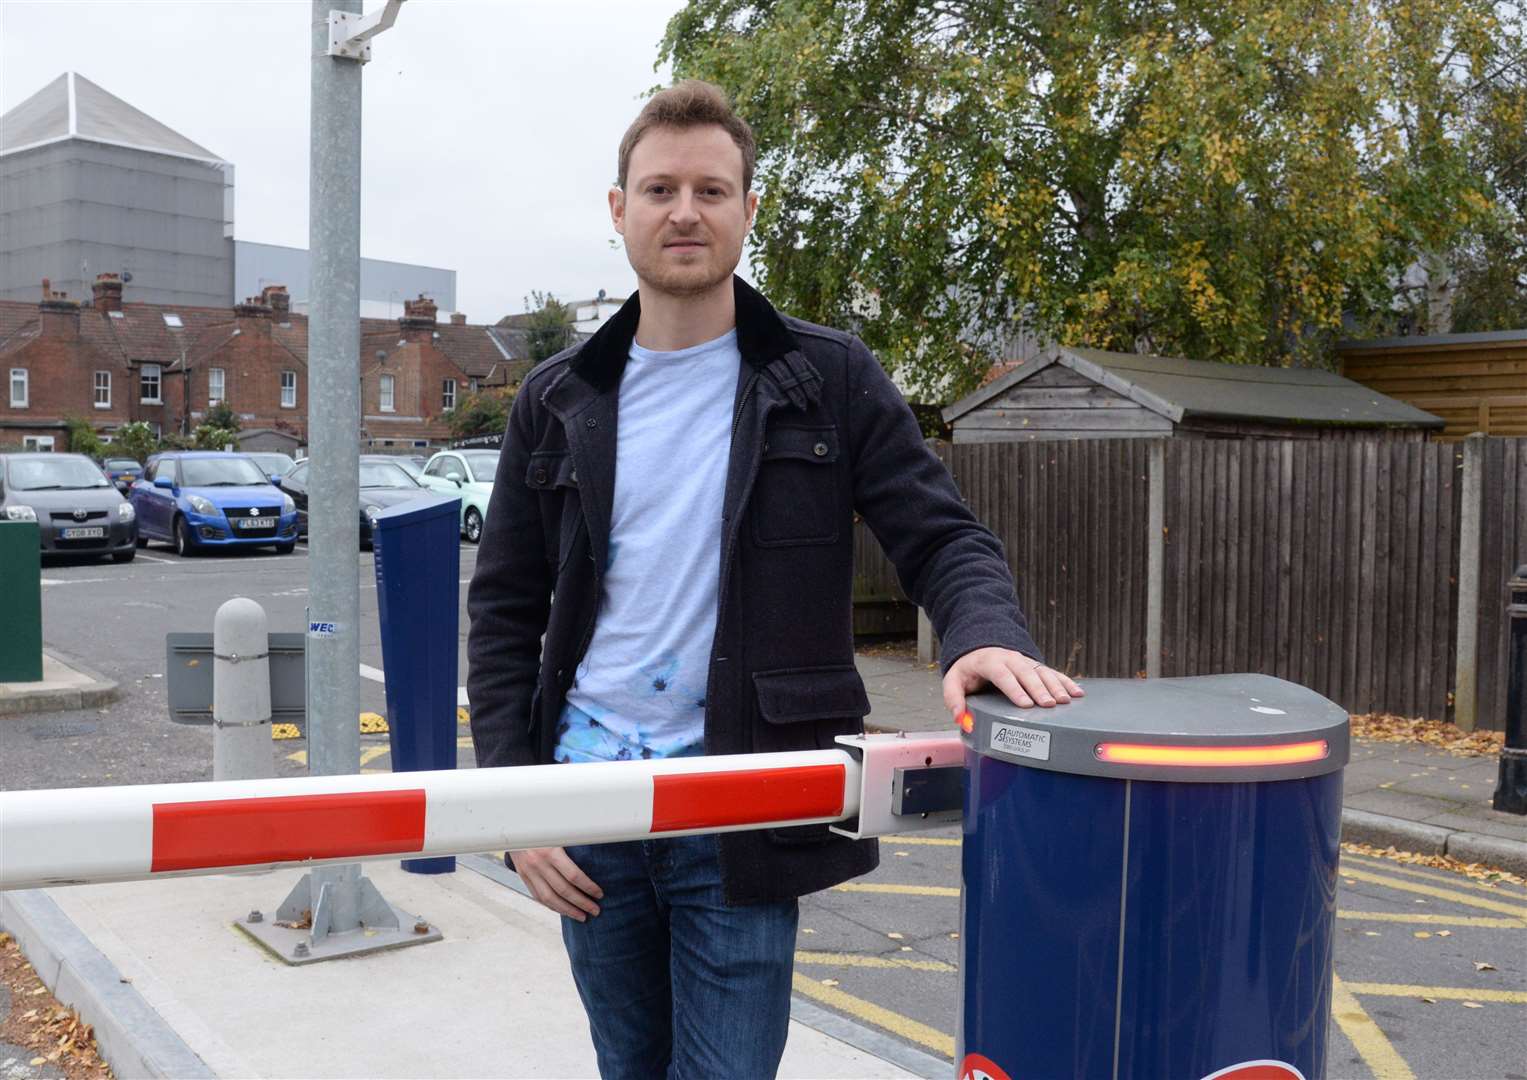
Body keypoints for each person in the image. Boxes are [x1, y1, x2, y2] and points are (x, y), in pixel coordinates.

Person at [466, 78, 1082, 1080]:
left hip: (741, 804)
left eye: (711, 190)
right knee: (629, 1067)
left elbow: (942, 536)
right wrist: (512, 807)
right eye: (659, 189)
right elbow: (501, 611)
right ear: (617, 210)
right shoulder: (558, 395)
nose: (684, 211)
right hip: (586, 806)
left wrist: (983, 633)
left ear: (749, 210)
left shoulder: (826, 377)